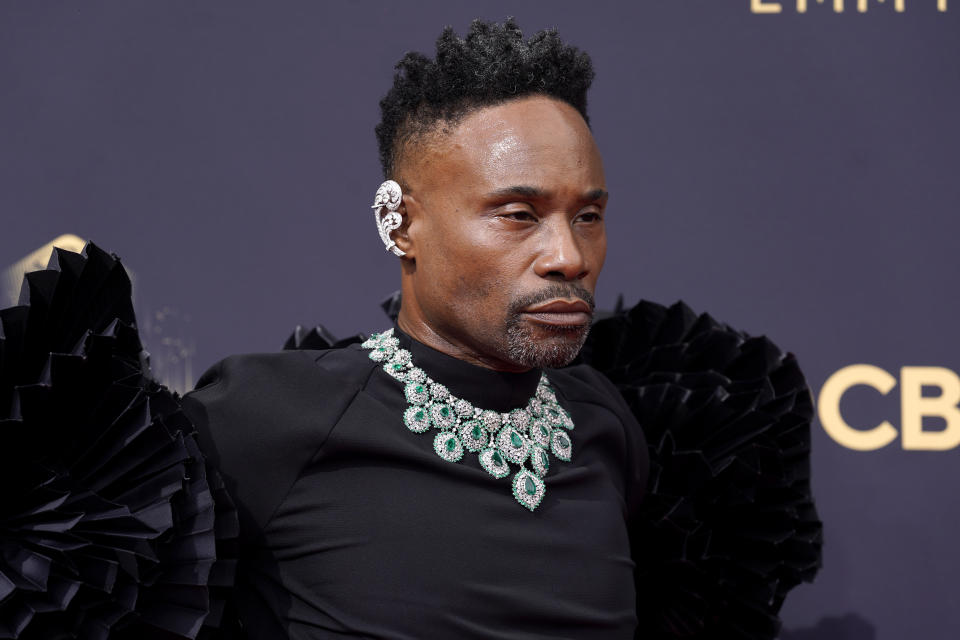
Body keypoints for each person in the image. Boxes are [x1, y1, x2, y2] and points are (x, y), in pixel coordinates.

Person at [0, 19, 821, 640]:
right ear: (401, 223)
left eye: (590, 215)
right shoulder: (263, 419)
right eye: (518, 215)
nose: (568, 256)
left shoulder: (610, 424)